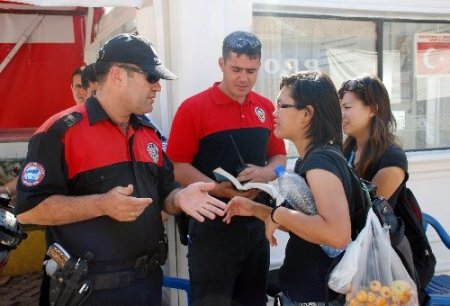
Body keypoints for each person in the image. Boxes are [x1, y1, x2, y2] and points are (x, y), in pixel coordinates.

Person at [15, 33, 226, 305]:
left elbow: (165, 193)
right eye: (151, 77)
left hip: (147, 284)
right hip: (88, 293)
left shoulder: (148, 131)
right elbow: (29, 210)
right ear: (117, 74)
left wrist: (180, 198)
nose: (157, 87)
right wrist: (101, 205)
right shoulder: (59, 132)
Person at [166, 30, 287, 306]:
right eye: (236, 69)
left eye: (251, 70)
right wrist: (219, 189)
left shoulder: (266, 107)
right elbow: (177, 166)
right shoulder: (193, 108)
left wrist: (265, 173)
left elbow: (280, 159)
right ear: (221, 64)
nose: (244, 78)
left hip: (257, 225)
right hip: (212, 228)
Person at [223, 70, 353, 305]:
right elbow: (310, 224)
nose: (274, 113)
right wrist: (256, 210)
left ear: (307, 114)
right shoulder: (313, 158)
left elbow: (336, 235)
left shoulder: (320, 163)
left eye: (282, 106)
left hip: (316, 295)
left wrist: (278, 213)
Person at [338, 75, 407, 206]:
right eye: (340, 107)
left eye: (347, 107)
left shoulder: (393, 158)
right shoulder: (344, 151)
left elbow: (365, 209)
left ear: (372, 110)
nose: (341, 114)